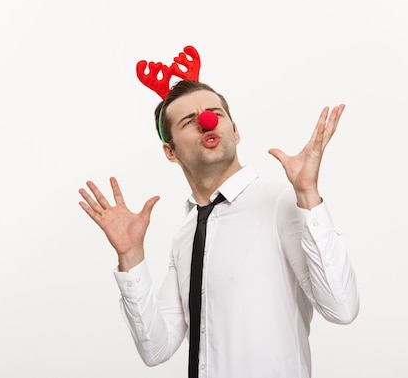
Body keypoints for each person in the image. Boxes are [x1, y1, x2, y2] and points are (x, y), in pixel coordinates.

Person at [79, 79, 359, 378]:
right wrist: (131, 256)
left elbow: (342, 308)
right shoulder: (185, 238)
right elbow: (156, 348)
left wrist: (307, 195)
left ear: (235, 131)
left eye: (215, 113)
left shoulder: (283, 203)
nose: (206, 121)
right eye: (189, 121)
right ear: (170, 152)